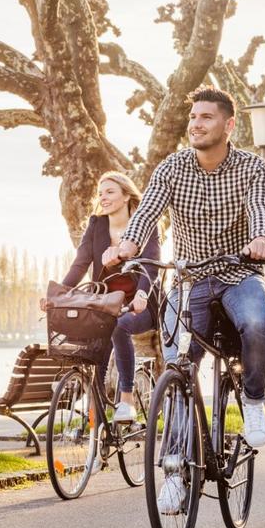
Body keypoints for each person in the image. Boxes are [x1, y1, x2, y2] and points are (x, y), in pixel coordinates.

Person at [103, 86, 265, 512]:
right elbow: (146, 213)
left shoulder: (253, 168)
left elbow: (260, 207)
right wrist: (127, 245)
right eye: (193, 116)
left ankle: (254, 401)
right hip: (189, 280)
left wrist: (260, 238)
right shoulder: (174, 167)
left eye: (206, 117)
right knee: (178, 372)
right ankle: (177, 470)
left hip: (240, 273)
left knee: (257, 324)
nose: (196, 124)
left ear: (228, 124)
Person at [52, 171, 161, 424]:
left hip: (139, 304)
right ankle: (97, 429)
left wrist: (142, 295)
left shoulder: (145, 223)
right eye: (100, 193)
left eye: (110, 192)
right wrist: (58, 295)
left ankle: (127, 400)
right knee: (96, 356)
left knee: (119, 326)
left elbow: (151, 265)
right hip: (105, 303)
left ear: (126, 196)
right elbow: (79, 266)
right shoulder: (96, 225)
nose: (103, 197)